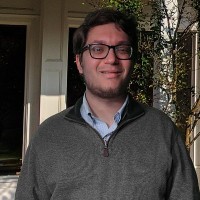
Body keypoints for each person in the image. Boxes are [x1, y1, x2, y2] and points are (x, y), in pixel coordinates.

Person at [15, 8, 200, 200]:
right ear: (79, 62)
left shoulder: (163, 130)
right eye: (97, 49)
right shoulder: (48, 136)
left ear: (132, 60)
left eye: (121, 49)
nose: (111, 59)